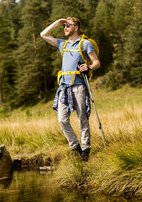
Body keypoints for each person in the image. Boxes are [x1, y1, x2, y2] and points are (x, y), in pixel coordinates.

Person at [40, 17, 100, 161]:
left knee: (82, 118)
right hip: (64, 87)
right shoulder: (63, 44)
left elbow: (96, 61)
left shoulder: (85, 44)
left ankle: (85, 150)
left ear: (76, 27)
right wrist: (57, 22)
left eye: (68, 25)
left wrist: (89, 67)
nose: (65, 28)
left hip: (79, 85)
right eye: (64, 26)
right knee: (62, 119)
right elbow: (43, 35)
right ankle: (75, 146)